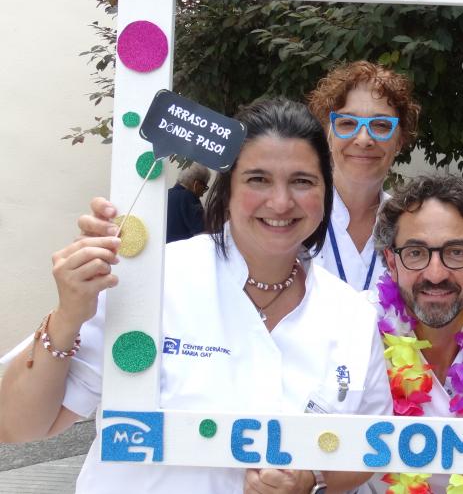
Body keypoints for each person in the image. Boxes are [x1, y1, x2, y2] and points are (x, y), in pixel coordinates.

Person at [0, 99, 392, 494]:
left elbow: (366, 450)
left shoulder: (351, 317)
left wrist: (309, 479)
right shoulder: (153, 284)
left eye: (302, 181)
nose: (280, 202)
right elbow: (17, 424)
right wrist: (69, 314)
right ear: (229, 188)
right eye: (258, 179)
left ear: (325, 192)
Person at [361, 174, 463, 493]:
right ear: (392, 263)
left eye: (456, 252)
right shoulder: (355, 326)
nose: (435, 274)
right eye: (416, 253)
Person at [307, 60, 421, 291]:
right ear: (327, 135)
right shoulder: (295, 217)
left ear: (399, 141)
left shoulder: (415, 226)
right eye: (347, 123)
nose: (363, 139)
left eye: (380, 125)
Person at [167, 162, 211, 243]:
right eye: (204, 188)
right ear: (196, 184)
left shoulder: (166, 195)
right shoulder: (189, 197)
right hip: (181, 252)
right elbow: (203, 234)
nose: (201, 195)